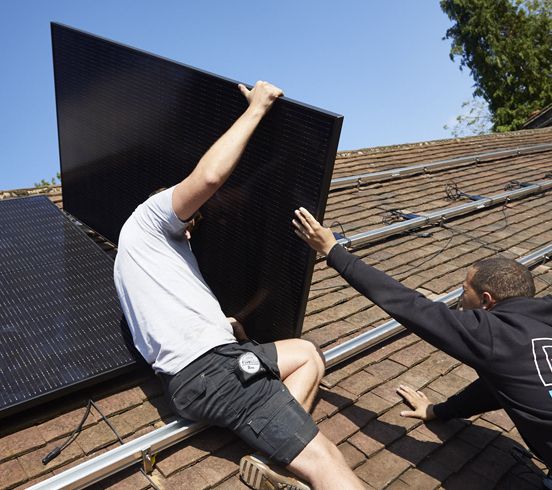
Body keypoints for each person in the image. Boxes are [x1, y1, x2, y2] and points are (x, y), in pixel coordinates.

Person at [114, 82, 365, 490]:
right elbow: (210, 177)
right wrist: (257, 109)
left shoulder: (142, 266)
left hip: (200, 374)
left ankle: (274, 458)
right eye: (191, 221)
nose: (192, 231)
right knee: (327, 461)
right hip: (213, 371)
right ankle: (291, 454)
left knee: (307, 355)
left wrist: (229, 329)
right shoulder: (149, 216)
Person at [292, 207, 552, 481]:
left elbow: (409, 305)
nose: (460, 299)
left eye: (465, 291)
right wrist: (439, 411)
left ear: (486, 301)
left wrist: (333, 250)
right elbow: (499, 383)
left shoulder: (492, 335)